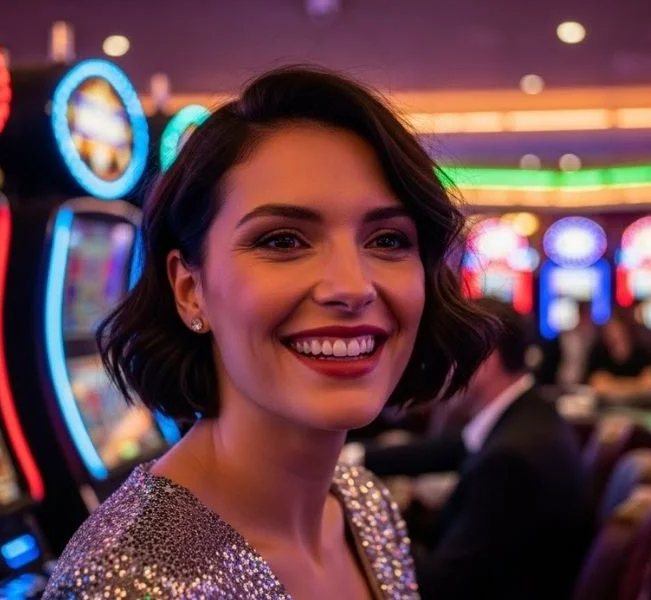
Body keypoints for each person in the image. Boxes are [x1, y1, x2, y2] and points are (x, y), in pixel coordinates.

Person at [43, 66, 495, 599]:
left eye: (389, 240)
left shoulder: (361, 504)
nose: (352, 287)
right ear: (190, 289)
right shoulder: (124, 580)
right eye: (283, 241)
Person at [361, 297, 593, 599]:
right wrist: (357, 458)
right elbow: (456, 447)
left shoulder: (511, 461)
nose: (443, 368)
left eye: (451, 355)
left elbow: (442, 587)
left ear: (486, 357)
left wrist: (363, 520)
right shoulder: (529, 414)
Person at [585, 309, 651, 401]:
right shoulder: (599, 351)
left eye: (617, 328)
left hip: (641, 406)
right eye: (609, 329)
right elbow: (597, 385)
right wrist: (638, 384)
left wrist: (611, 384)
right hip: (606, 407)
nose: (612, 334)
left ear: (626, 329)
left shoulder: (644, 351)